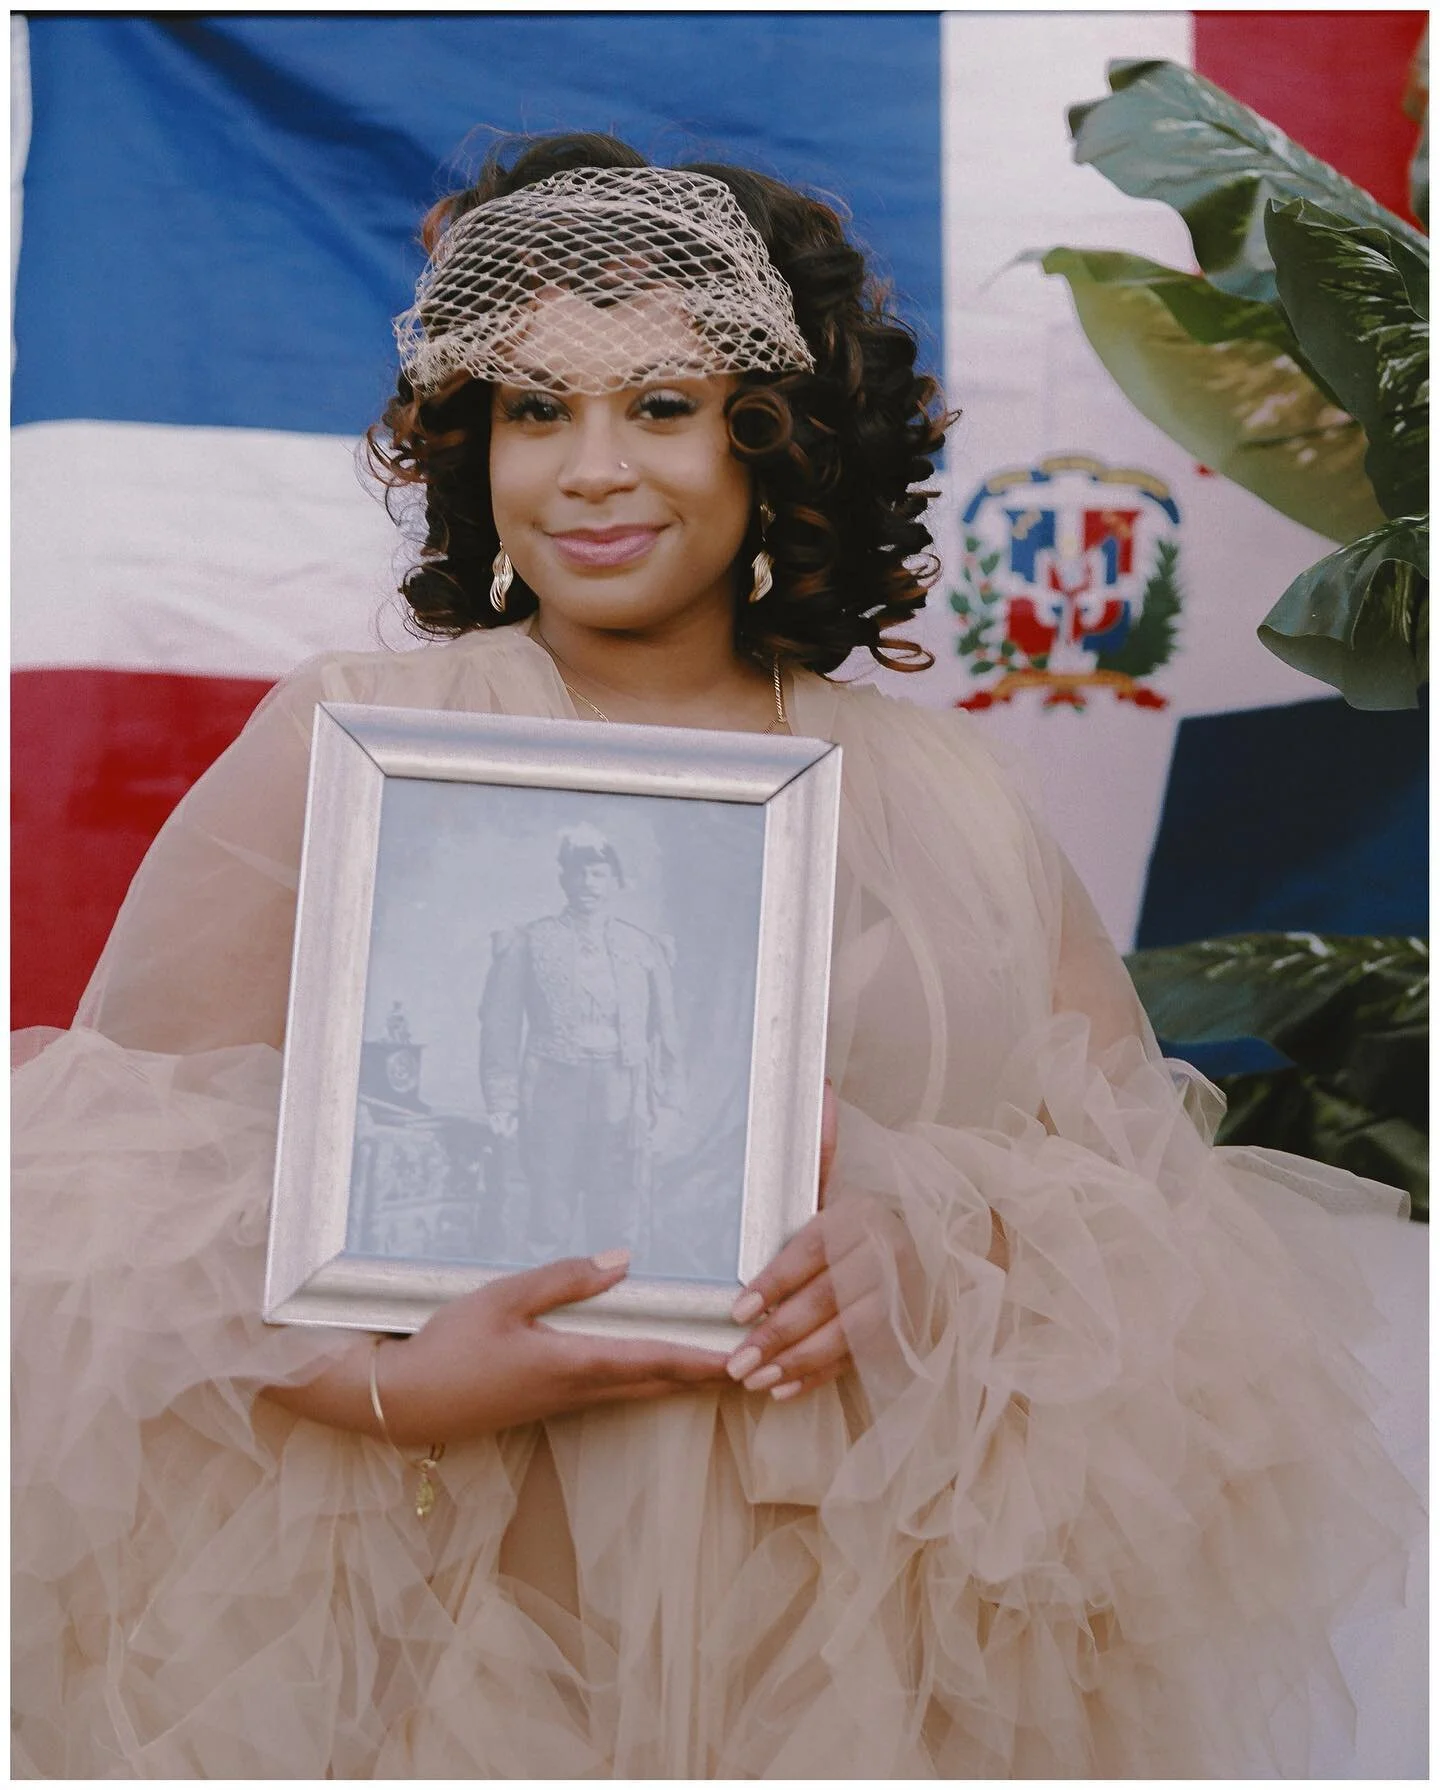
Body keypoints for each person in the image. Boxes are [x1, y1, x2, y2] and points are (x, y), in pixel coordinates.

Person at [11, 133, 1420, 1779]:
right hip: (437, 1587)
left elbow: (1135, 1226)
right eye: (535, 409)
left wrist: (924, 1256)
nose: (592, 469)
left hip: (845, 1615)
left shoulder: (942, 796)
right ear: (472, 442)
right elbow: (111, 1196)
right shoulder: (365, 739)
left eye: (663, 407)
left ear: (778, 441)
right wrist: (379, 1386)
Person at [479, 824, 684, 1259]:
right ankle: (537, 1304)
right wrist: (502, 1101)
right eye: (579, 874)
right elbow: (499, 1025)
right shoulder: (530, 942)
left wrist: (668, 1104)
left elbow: (667, 1031)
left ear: (614, 881)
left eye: (598, 875)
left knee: (617, 1206)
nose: (588, 885)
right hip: (553, 1086)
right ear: (563, 880)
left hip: (622, 1089)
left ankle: (607, 1307)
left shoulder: (642, 946)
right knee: (549, 1203)